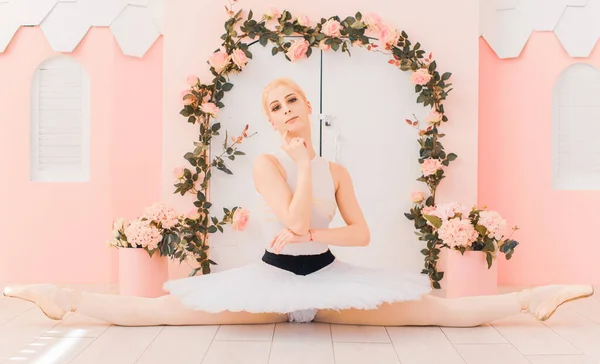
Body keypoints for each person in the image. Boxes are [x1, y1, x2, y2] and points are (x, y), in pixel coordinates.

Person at [3, 77, 594, 327]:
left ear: (306, 107)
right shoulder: (266, 163)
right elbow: (289, 219)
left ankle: (534, 301)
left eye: (293, 101)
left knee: (435, 313)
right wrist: (304, 170)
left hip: (330, 278)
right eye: (276, 107)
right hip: (271, 281)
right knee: (163, 314)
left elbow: (359, 233)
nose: (287, 111)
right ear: (270, 119)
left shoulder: (334, 167)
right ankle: (61, 298)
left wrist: (321, 214)